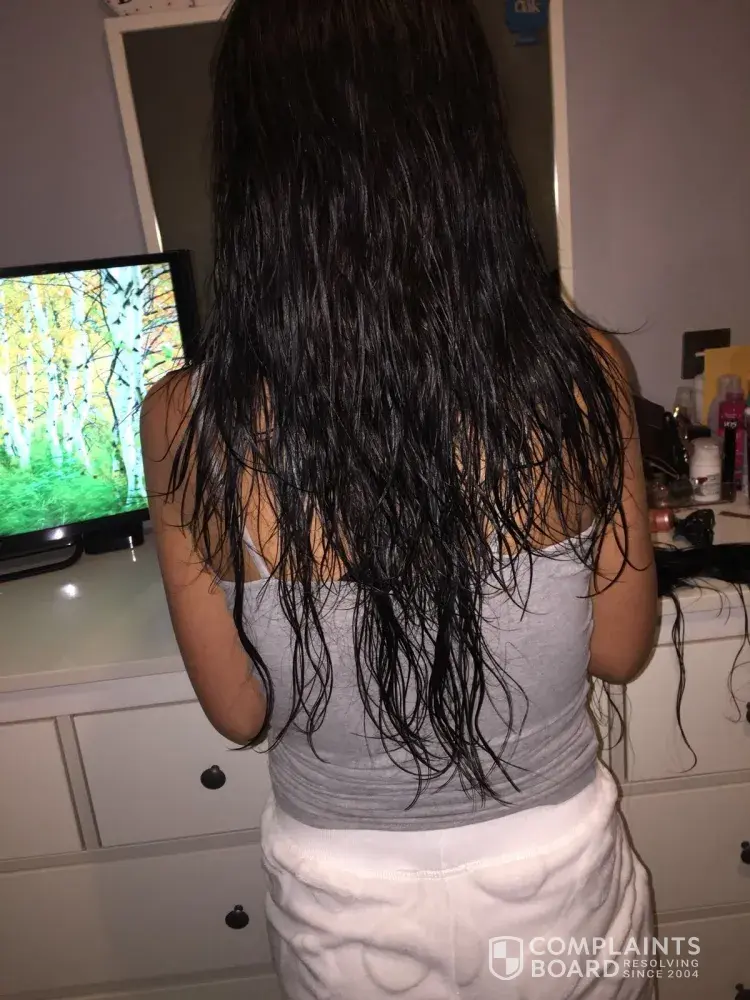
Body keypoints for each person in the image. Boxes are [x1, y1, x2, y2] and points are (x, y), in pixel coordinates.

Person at [141, 0, 658, 996]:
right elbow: (621, 647)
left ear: (256, 164)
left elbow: (240, 712)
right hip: (560, 894)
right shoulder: (583, 375)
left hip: (346, 913)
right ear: (466, 142)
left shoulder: (186, 419)